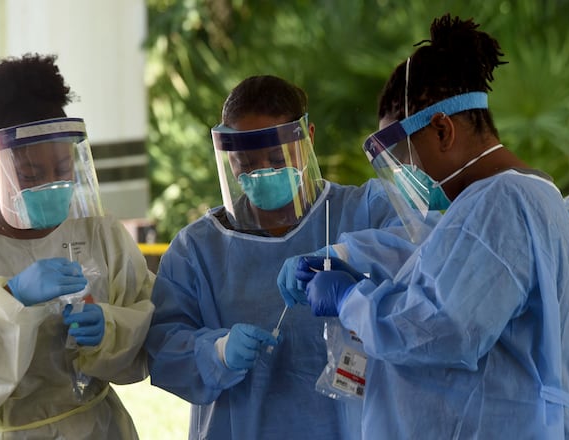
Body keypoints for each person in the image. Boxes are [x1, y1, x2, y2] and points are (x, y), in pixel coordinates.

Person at [279, 14, 569, 439]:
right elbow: (430, 259)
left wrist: (352, 301)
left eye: (402, 158)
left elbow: (439, 328)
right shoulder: (538, 201)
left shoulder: (500, 202)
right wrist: (348, 257)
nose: (403, 176)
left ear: (442, 129)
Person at [0, 54, 155, 439]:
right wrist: (8, 300)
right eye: (31, 175)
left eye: (63, 171)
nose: (52, 185)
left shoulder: (101, 236)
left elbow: (152, 321)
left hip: (91, 428)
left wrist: (112, 328)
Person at [145, 75, 409, 440]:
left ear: (308, 139)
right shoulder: (197, 250)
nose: (262, 172)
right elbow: (163, 351)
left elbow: (424, 249)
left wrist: (346, 253)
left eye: (276, 157)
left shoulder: (364, 211)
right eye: (246, 163)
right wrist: (217, 353)